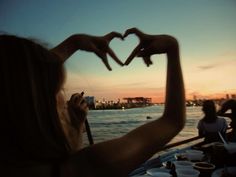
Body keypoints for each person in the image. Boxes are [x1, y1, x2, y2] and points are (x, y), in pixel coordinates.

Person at [0, 28, 185, 177]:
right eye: (59, 89)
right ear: (38, 108)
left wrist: (74, 42)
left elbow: (18, 79)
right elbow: (172, 121)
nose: (64, 98)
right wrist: (172, 47)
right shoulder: (86, 167)